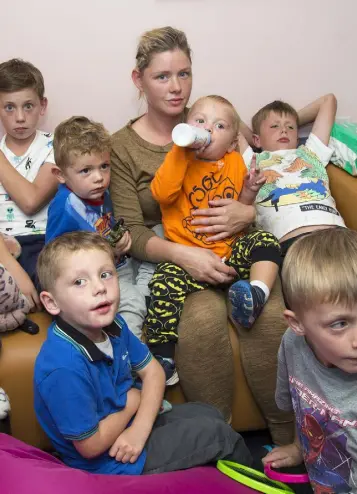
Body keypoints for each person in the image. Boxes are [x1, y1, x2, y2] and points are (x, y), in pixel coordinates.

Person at [110, 26, 259, 422]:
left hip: (234, 247)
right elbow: (131, 234)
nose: (177, 88)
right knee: (201, 323)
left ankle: (289, 440)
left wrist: (249, 211)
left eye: (184, 73)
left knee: (273, 313)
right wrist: (186, 256)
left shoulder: (220, 123)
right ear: (138, 80)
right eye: (162, 76)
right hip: (173, 258)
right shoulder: (121, 148)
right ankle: (219, 441)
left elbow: (251, 182)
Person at [34, 231, 253, 475]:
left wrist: (138, 426)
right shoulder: (63, 367)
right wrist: (133, 404)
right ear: (52, 303)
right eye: (79, 282)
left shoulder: (114, 325)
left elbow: (154, 373)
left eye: (105, 275)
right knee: (219, 436)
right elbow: (90, 445)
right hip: (108, 461)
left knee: (208, 413)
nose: (99, 288)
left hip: (130, 425)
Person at [147, 94, 281, 384]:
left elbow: (241, 204)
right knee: (162, 283)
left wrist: (250, 191)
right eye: (200, 122)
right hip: (189, 260)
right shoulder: (178, 161)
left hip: (231, 253)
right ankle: (162, 355)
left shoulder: (233, 161)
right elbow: (161, 194)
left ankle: (256, 293)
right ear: (187, 127)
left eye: (219, 126)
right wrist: (180, 151)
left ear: (233, 143)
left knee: (266, 241)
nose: (207, 129)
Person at [263, 228, 357, 493]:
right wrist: (297, 448)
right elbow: (302, 406)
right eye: (340, 324)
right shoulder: (292, 344)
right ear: (297, 324)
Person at [46, 116, 147, 338]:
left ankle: (141, 293)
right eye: (86, 171)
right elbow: (53, 259)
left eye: (104, 167)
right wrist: (110, 251)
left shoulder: (102, 193)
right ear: (61, 175)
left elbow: (107, 227)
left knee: (156, 247)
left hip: (119, 263)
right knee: (133, 301)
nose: (99, 178)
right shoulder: (66, 206)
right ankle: (132, 356)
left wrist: (122, 238)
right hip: (96, 276)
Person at [239, 94, 345, 266]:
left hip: (337, 234)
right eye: (274, 126)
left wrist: (292, 120)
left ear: (297, 139)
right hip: (291, 243)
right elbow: (227, 116)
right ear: (256, 139)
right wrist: (253, 138)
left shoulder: (310, 153)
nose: (283, 130)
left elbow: (329, 100)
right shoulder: (252, 160)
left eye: (290, 127)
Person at [0, 58, 58, 311]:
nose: (20, 117)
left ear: (42, 106)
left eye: (28, 106)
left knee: (61, 287)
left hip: (42, 243)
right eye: (9, 107)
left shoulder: (56, 146)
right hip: (2, 248)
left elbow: (31, 201)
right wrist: (12, 268)